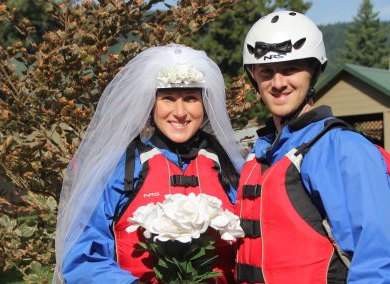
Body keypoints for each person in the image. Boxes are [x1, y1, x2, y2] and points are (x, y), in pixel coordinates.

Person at [52, 44, 245, 284]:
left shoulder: (232, 166)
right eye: (168, 99)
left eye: (191, 99)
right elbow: (81, 256)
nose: (180, 111)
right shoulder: (118, 168)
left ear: (204, 105)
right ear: (151, 104)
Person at [235, 10, 390, 283]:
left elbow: (377, 258)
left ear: (315, 72)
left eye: (290, 69)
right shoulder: (258, 153)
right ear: (254, 80)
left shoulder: (343, 148)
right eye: (267, 72)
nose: (278, 83)